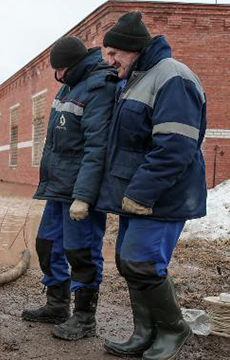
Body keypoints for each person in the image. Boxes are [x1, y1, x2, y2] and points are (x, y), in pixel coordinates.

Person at [97, 12, 207, 360]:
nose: (109, 60)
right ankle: (144, 332)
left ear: (133, 49)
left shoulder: (173, 77)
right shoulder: (135, 77)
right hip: (136, 194)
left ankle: (174, 329)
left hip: (162, 195)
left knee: (143, 262)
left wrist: (142, 192)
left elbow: (176, 144)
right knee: (128, 262)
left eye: (114, 53)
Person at [21, 36, 118, 341]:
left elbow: (96, 147)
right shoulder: (70, 84)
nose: (58, 75)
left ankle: (85, 317)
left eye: (61, 69)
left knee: (81, 251)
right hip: (59, 188)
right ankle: (57, 304)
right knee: (47, 245)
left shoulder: (100, 87)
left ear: (75, 64)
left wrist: (84, 197)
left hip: (80, 191)